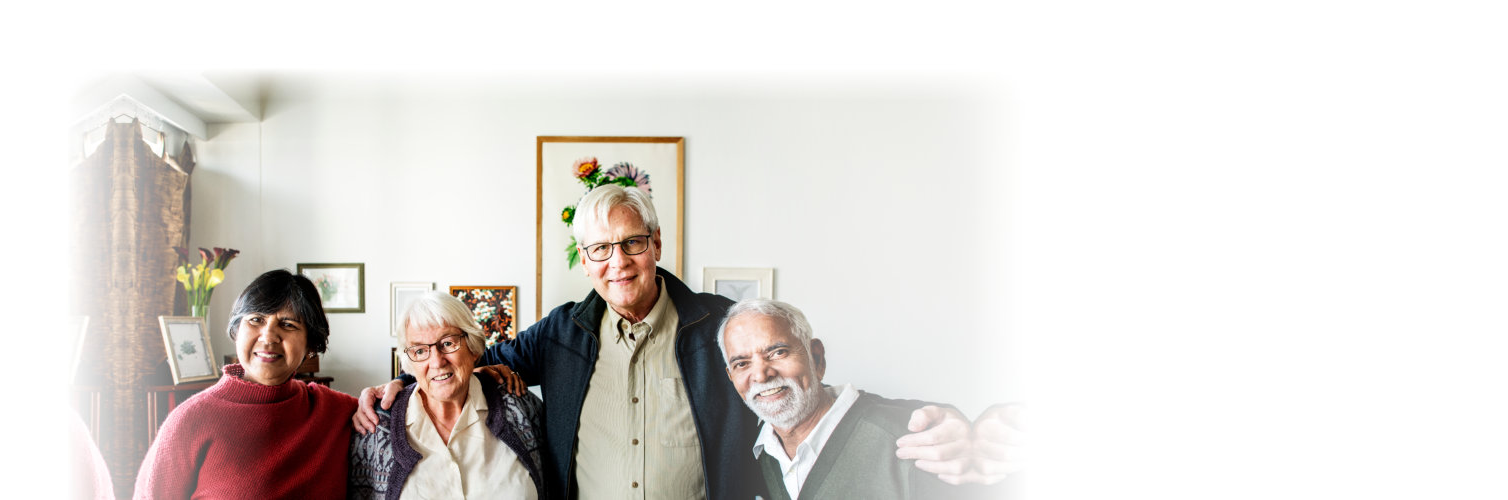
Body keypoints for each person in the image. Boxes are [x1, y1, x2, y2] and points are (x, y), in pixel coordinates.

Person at [356, 184, 984, 499]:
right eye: (600, 249)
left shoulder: (718, 324)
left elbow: (798, 390)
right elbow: (460, 365)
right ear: (585, 260)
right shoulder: (558, 333)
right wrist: (398, 387)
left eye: (632, 243)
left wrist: (930, 423)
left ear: (656, 244)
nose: (618, 261)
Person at [719, 298, 1022, 499]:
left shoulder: (916, 439)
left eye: (777, 352)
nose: (761, 374)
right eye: (742, 363)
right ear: (732, 377)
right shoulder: (755, 457)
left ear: (816, 357)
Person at [134, 269, 360, 499]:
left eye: (288, 324)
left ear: (311, 344)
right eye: (256, 320)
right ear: (236, 331)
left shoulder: (333, 410)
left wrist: (393, 385)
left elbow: (392, 403)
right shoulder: (190, 420)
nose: (269, 336)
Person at [349, 291, 547, 499]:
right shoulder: (376, 426)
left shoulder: (522, 409)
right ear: (409, 361)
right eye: (419, 351)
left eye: (448, 343)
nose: (436, 361)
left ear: (473, 349)